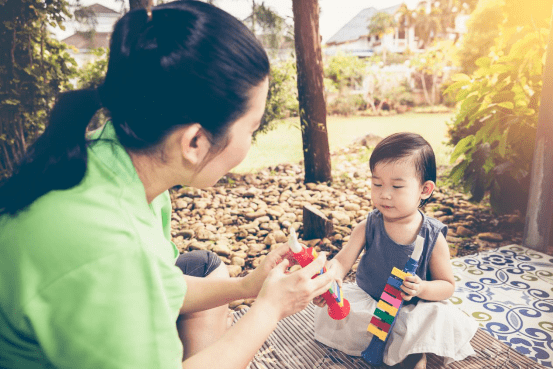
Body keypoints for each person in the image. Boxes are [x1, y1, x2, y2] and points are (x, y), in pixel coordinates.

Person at [0, 1, 334, 368]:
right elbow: (130, 274)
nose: (251, 142)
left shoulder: (114, 161)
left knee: (208, 266)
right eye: (251, 128)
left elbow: (161, 286)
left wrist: (250, 287)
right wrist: (269, 309)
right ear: (194, 143)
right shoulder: (110, 247)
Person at [313, 133, 478, 369]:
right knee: (344, 312)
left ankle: (412, 354)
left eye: (397, 186)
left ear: (424, 189)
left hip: (412, 309)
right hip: (371, 301)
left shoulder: (432, 236)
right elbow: (341, 262)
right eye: (377, 184)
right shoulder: (368, 225)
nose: (384, 194)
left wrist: (422, 288)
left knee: (434, 317)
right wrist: (330, 281)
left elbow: (447, 286)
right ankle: (388, 346)